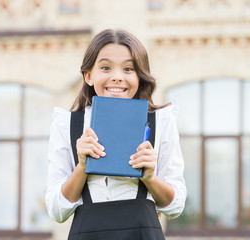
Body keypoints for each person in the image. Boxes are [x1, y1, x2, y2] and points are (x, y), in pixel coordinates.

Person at [46, 29, 186, 239]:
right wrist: (82, 167)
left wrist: (150, 177)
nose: (117, 77)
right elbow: (57, 211)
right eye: (105, 67)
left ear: (139, 76)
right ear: (89, 76)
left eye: (129, 69)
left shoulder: (161, 121)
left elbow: (175, 206)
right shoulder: (67, 124)